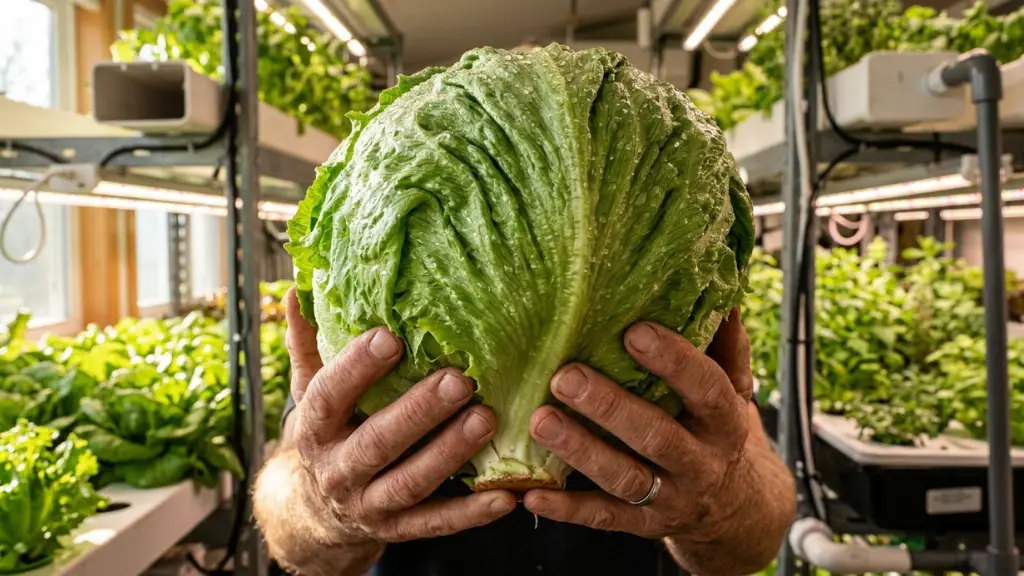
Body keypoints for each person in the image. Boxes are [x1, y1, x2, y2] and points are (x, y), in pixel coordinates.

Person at [253, 289, 796, 576]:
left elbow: (758, 535)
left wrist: (718, 502)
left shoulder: (660, 200)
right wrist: (324, 504)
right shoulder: (379, 196)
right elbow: (291, 527)